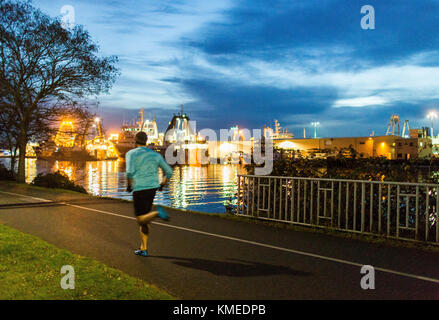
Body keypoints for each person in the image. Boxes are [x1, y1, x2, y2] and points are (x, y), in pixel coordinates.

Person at [126, 131, 173, 257]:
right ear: (146, 141)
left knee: (140, 218)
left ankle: (157, 213)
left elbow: (130, 172)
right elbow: (169, 171)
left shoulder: (131, 154)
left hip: (140, 188)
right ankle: (144, 248)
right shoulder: (155, 155)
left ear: (135, 141)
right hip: (152, 188)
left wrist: (129, 185)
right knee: (145, 221)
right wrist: (163, 184)